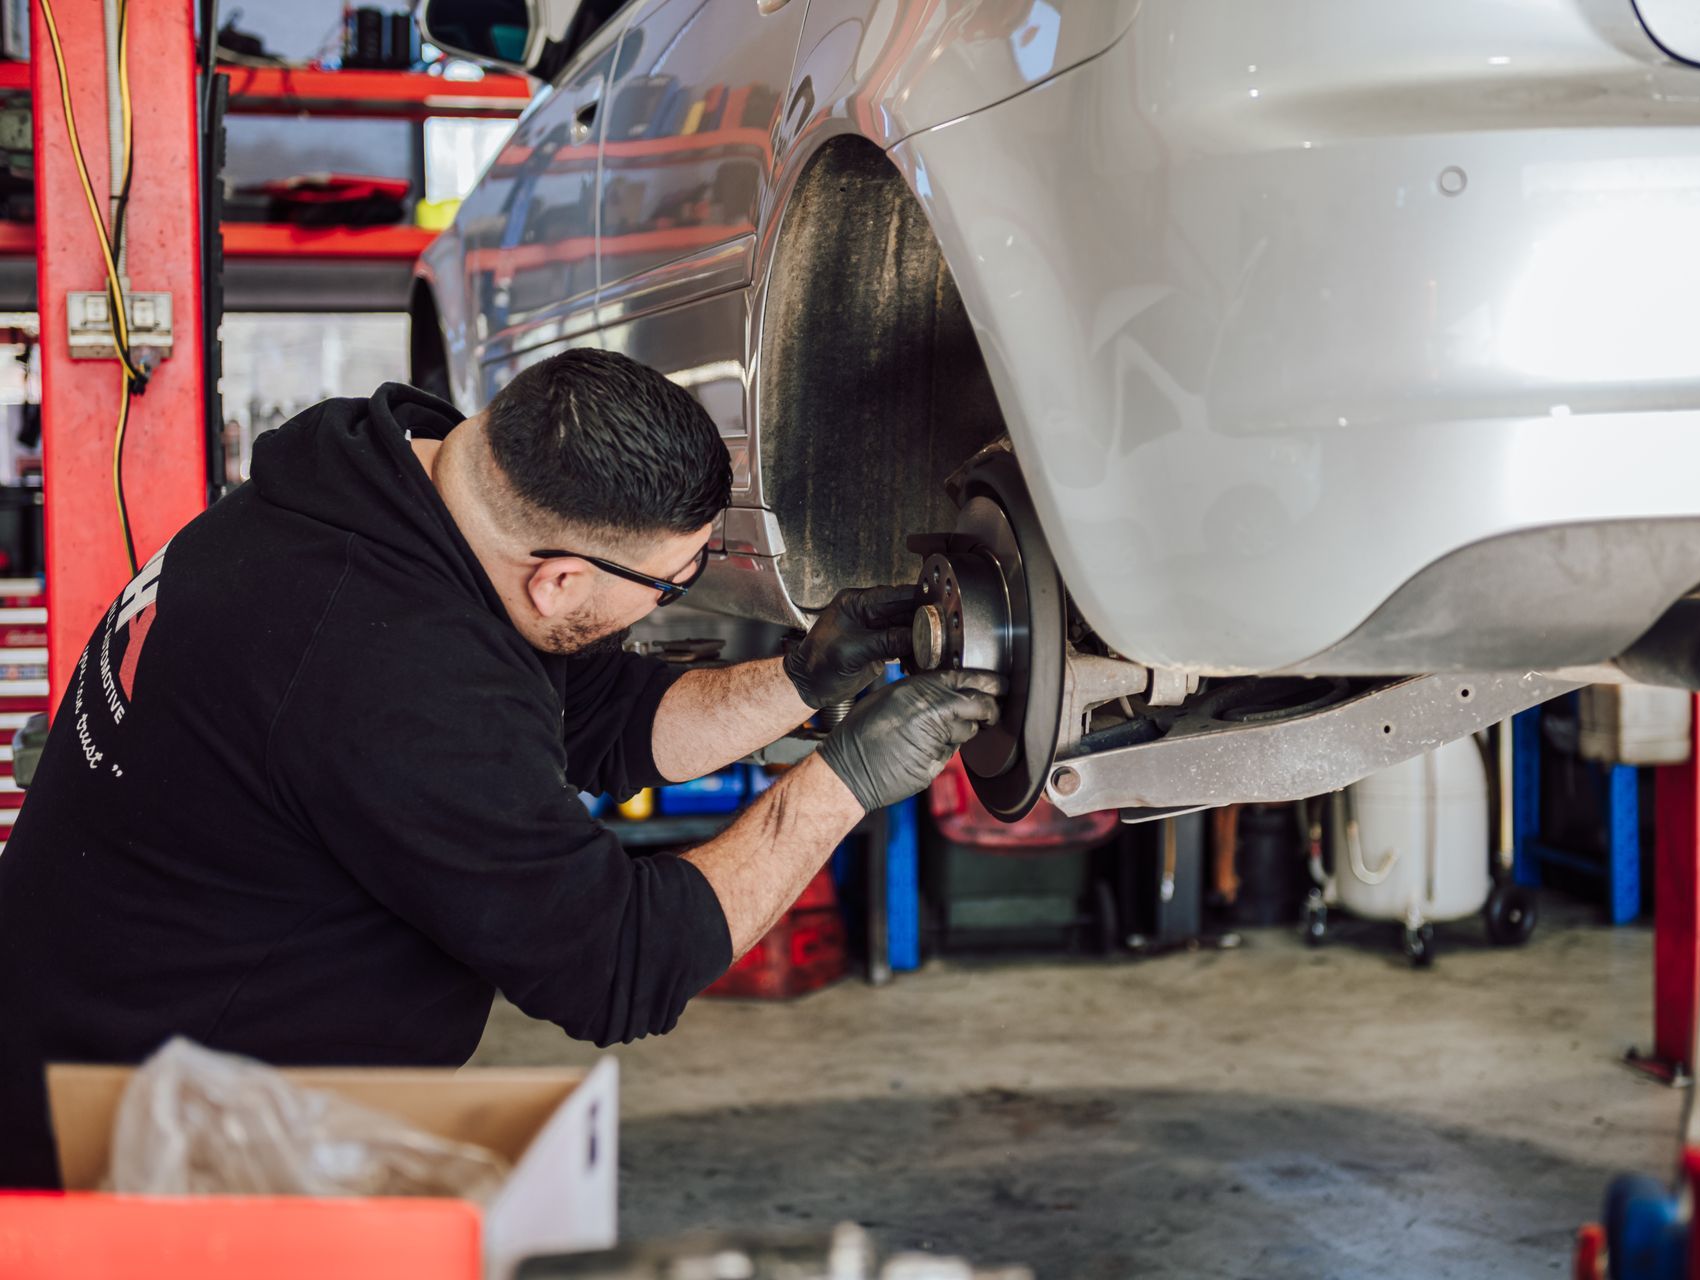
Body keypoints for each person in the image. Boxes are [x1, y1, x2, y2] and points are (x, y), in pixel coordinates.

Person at [0, 348, 1003, 1188]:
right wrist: (845, 780)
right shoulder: (391, 670)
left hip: (123, 1060)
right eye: (669, 584)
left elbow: (595, 715)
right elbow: (619, 964)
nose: (669, 601)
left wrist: (798, 678)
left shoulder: (371, 492)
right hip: (150, 1158)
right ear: (559, 574)